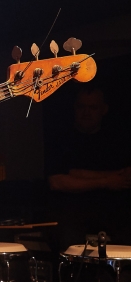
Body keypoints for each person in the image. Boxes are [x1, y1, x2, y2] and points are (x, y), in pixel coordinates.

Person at [46, 85, 131, 248]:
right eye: (81, 107)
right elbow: (58, 182)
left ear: (104, 109)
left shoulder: (117, 141)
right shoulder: (61, 139)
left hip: (113, 211)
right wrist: (107, 181)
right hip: (72, 211)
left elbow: (125, 176)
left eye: (92, 108)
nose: (86, 112)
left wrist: (79, 175)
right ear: (74, 108)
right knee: (66, 235)